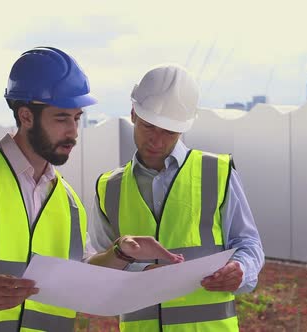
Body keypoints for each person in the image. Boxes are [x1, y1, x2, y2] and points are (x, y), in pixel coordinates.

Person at [0, 47, 183, 332]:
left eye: (76, 118)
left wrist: (121, 252)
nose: (73, 132)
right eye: (62, 118)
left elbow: (83, 271)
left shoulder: (68, 200)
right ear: (26, 116)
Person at [89, 64, 265, 331]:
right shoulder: (109, 187)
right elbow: (99, 267)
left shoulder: (216, 172)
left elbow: (248, 242)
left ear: (183, 127)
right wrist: (140, 274)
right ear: (134, 114)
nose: (157, 140)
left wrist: (241, 269)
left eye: (169, 131)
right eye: (149, 127)